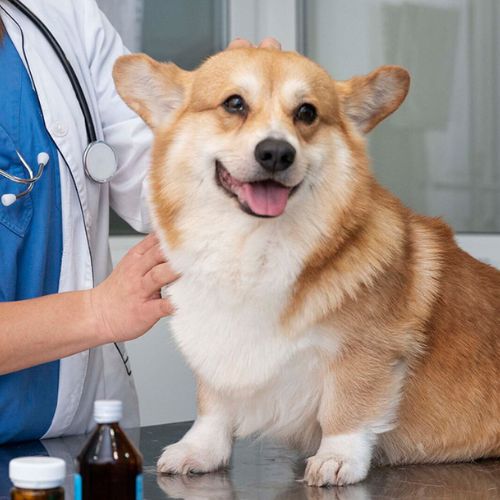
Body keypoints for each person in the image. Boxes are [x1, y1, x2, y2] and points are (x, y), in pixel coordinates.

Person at [0, 0, 280, 444]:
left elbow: (160, 180)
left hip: (87, 441)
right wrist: (98, 311)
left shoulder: (59, 13)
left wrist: (227, 136)